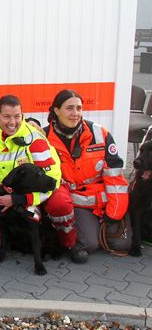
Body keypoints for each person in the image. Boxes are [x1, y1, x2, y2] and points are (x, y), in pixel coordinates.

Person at [0, 95, 82, 262]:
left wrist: (21, 199)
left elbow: (51, 180)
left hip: (45, 188)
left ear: (23, 116)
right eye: (6, 116)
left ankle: (69, 244)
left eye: (17, 116)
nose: (13, 122)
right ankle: (13, 236)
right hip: (13, 189)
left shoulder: (34, 139)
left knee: (60, 205)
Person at [44, 89, 130, 261]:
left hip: (105, 201)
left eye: (79, 108)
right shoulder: (44, 137)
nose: (75, 113)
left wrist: (114, 213)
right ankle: (71, 236)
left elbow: (115, 177)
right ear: (56, 110)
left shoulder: (100, 134)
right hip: (76, 202)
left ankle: (99, 226)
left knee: (122, 244)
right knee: (90, 245)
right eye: (69, 108)